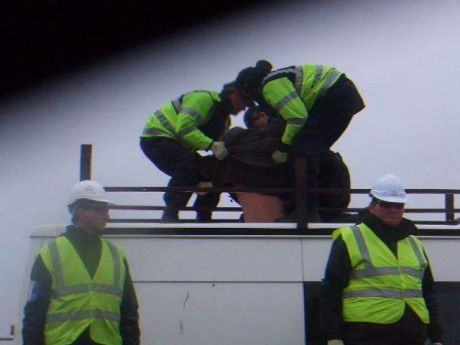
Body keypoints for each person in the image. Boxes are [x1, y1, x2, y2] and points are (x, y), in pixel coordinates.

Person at [319, 174, 444, 345]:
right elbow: (331, 290)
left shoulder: (414, 242)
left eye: (398, 205)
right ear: (372, 206)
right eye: (386, 204)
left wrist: (436, 336)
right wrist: (333, 336)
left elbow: (428, 292)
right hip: (367, 334)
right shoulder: (351, 237)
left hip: (412, 334)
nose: (393, 210)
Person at [233, 60, 365, 220]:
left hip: (335, 97)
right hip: (337, 96)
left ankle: (307, 211)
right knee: (311, 150)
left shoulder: (270, 86)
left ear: (251, 88)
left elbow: (297, 117)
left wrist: (283, 146)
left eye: (248, 98)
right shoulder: (276, 80)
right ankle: (313, 208)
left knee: (304, 151)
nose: (251, 103)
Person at [22, 180, 140, 345]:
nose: (107, 216)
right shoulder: (50, 253)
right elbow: (34, 313)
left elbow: (129, 312)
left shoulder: (116, 255)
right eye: (101, 210)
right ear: (80, 210)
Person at [140, 83, 251, 222]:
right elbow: (184, 128)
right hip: (156, 137)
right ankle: (171, 212)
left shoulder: (224, 121)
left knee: (211, 173)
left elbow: (218, 148)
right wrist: (212, 145)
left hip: (178, 145)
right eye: (245, 101)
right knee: (187, 167)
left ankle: (204, 215)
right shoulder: (204, 99)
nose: (244, 107)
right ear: (234, 94)